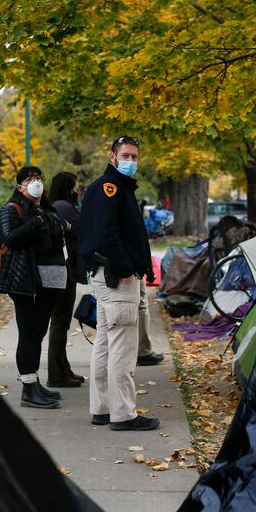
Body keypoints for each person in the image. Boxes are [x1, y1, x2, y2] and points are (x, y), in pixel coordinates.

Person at [78, 135, 160, 431]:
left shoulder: (111, 188)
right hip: (116, 277)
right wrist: (126, 267)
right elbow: (108, 233)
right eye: (125, 155)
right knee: (122, 347)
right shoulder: (110, 189)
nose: (130, 161)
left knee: (105, 343)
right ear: (113, 157)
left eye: (135, 156)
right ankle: (123, 414)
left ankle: (102, 408)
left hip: (106, 276)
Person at [0, 166, 69, 409]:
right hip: (26, 281)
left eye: (39, 178)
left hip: (51, 281)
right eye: (29, 179)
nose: (35, 182)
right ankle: (28, 390)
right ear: (20, 186)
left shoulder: (46, 209)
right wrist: (36, 222)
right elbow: (9, 237)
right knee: (28, 334)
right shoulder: (11, 209)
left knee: (38, 332)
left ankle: (34, 383)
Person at [46, 171, 87, 388]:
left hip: (59, 271)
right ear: (68, 187)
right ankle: (56, 374)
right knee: (60, 323)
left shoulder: (55, 206)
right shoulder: (65, 208)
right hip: (63, 273)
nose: (78, 189)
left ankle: (63, 368)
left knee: (59, 323)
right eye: (76, 185)